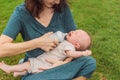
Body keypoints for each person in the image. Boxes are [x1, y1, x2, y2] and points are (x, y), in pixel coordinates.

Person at [0, 0, 96, 80]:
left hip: (60, 63)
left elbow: (75, 45)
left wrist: (64, 63)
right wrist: (37, 43)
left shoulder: (62, 8)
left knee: (89, 63)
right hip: (38, 68)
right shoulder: (21, 14)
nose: (58, 2)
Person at [0, 30, 92, 77]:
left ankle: (9, 68)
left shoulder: (69, 47)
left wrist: (83, 53)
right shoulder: (66, 41)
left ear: (77, 44)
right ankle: (18, 73)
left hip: (44, 61)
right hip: (46, 62)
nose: (73, 31)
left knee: (28, 65)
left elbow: (71, 54)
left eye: (76, 34)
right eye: (75, 31)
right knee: (31, 69)